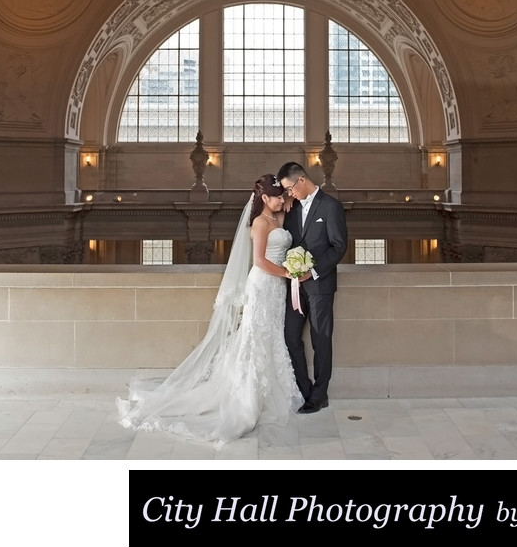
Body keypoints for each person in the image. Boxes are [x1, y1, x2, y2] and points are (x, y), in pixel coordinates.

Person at [116, 174, 304, 447]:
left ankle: (275, 390)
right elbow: (260, 261)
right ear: (264, 198)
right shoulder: (261, 223)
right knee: (254, 337)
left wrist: (287, 200)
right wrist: (289, 272)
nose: (280, 200)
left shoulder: (278, 217)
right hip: (263, 285)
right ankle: (247, 397)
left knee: (272, 335)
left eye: (281, 196)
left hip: (276, 291)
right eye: (276, 196)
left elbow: (287, 211)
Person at [277, 162, 348, 413]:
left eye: (289, 189)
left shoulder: (331, 207)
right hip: (295, 287)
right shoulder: (293, 209)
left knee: (321, 340)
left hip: (320, 286)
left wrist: (313, 271)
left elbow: (339, 246)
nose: (289, 194)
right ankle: (305, 390)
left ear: (302, 181)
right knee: (290, 336)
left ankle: (320, 395)